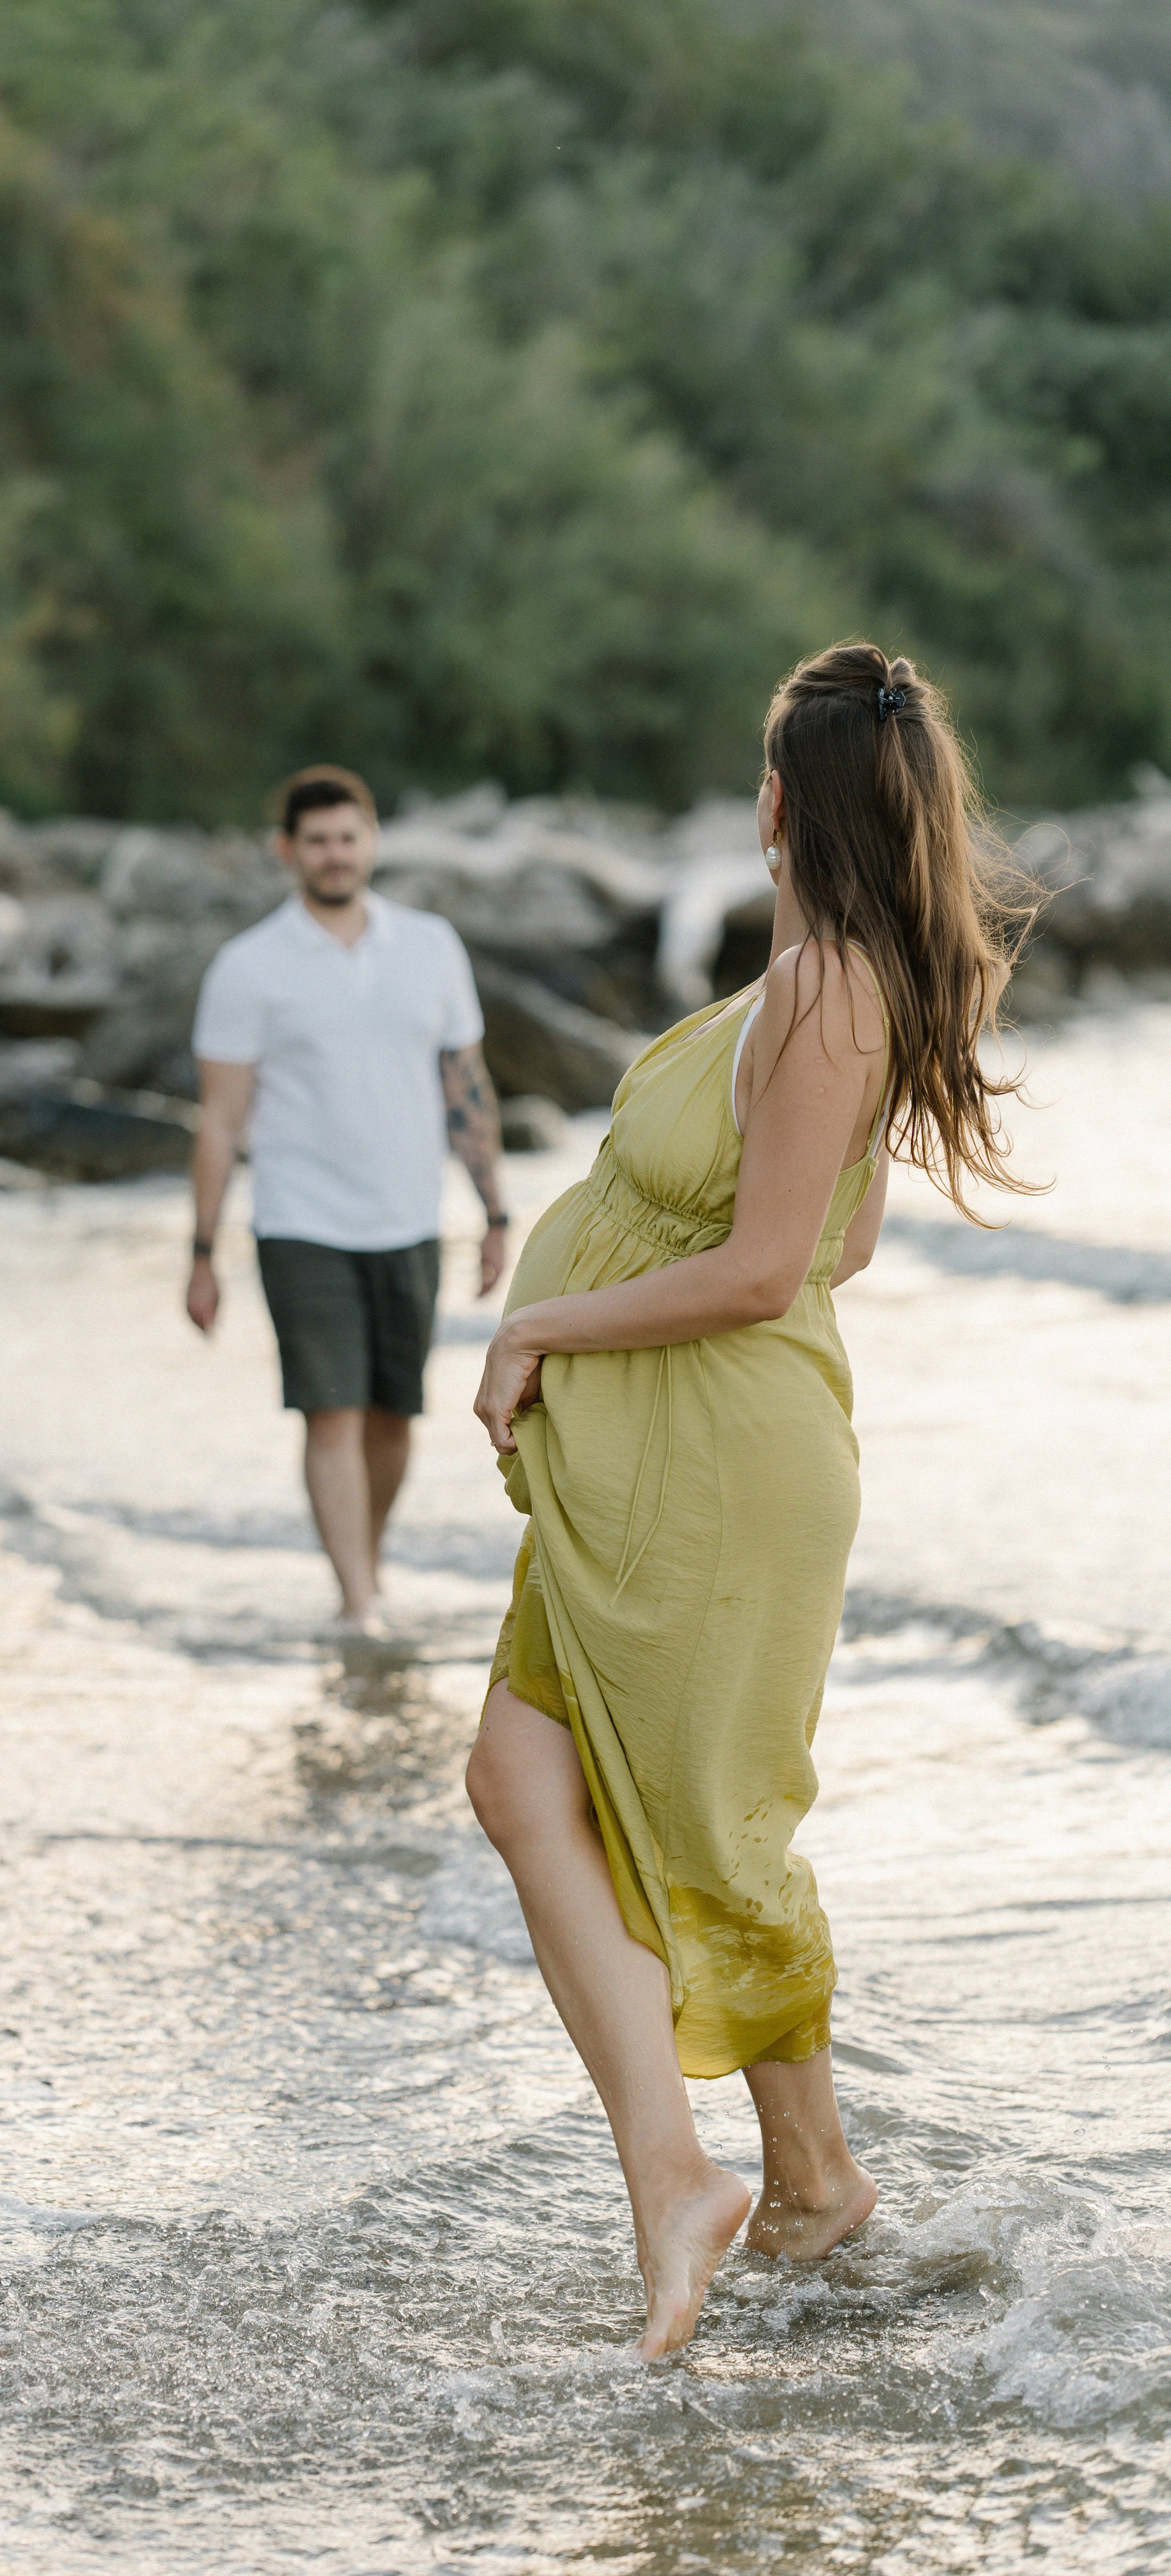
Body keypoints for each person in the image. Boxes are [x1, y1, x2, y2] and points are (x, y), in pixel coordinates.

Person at [466, 643, 1037, 2359]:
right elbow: (839, 1240)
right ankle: (757, 2183)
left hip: (711, 1465)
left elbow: (769, 1266)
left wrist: (546, 1321)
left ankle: (749, 2182)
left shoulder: (820, 993)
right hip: (670, 1450)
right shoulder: (826, 984)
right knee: (525, 1779)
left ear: (780, 801)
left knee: (702, 1827)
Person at [187, 765, 509, 1632]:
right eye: (317, 841)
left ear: (371, 841)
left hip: (409, 1217)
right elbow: (220, 1121)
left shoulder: (431, 946)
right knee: (330, 1412)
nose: (335, 855)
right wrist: (203, 1254)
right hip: (300, 1221)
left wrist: (496, 1212)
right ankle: (358, 1600)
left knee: (393, 1418)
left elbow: (466, 1084)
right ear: (287, 852)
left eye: (348, 837)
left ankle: (364, 1562)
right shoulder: (248, 967)